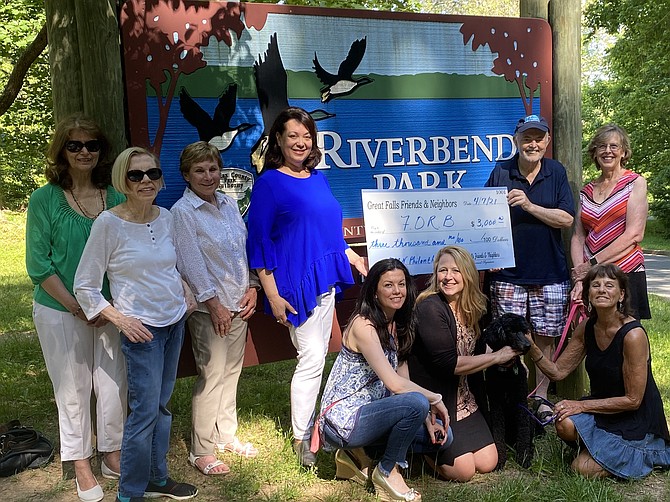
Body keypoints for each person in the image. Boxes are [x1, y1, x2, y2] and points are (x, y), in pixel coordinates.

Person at [74, 147, 198, 502]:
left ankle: (157, 479)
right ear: (122, 182)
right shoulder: (108, 224)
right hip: (142, 330)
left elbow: (169, 265)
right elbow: (85, 284)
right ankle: (129, 492)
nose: (146, 180)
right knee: (144, 412)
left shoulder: (166, 217)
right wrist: (120, 319)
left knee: (161, 406)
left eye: (152, 173)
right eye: (136, 175)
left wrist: (186, 289)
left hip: (175, 322)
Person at [246, 106, 367, 467]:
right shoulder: (269, 183)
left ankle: (316, 425)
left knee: (317, 354)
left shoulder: (318, 178)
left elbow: (326, 230)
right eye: (292, 136)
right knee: (312, 358)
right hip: (292, 286)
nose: (301, 142)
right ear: (279, 141)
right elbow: (258, 244)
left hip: (325, 278)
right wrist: (272, 296)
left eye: (306, 135)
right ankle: (302, 438)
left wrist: (351, 255)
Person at [25, 114, 126, 502]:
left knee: (114, 382)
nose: (84, 151)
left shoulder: (116, 196)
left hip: (110, 307)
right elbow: (39, 265)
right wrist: (76, 305)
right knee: (73, 387)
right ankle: (80, 461)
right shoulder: (44, 198)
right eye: (75, 145)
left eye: (92, 145)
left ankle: (111, 452)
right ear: (62, 151)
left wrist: (110, 306)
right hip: (60, 308)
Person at [321, 259, 451, 502]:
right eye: (388, 285)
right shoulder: (364, 325)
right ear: (374, 290)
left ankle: (358, 456)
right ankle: (387, 471)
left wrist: (426, 419)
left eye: (401, 284)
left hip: (374, 413)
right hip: (344, 419)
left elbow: (404, 379)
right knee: (416, 403)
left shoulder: (398, 324)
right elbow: (394, 385)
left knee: (443, 436)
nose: (397, 291)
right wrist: (434, 399)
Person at [526, 264, 670, 479]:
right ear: (588, 294)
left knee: (581, 469)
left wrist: (581, 405)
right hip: (604, 410)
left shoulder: (633, 335)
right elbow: (558, 372)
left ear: (621, 295)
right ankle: (600, 451)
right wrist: (531, 347)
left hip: (636, 419)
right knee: (563, 423)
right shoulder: (587, 327)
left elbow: (633, 400)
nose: (602, 289)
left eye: (609, 285)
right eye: (596, 285)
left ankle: (628, 453)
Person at [171, 141, 259, 476]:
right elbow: (190, 263)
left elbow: (242, 250)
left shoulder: (228, 203)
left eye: (212, 169)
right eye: (200, 170)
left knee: (231, 372)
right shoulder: (183, 212)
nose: (208, 176)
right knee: (211, 374)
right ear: (186, 175)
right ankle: (202, 450)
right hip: (211, 309)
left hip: (238, 302)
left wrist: (252, 287)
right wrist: (214, 304)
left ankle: (226, 435)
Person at [485, 114, 575, 419]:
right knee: (509, 339)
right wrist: (489, 255)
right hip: (509, 274)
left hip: (550, 272)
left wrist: (529, 205)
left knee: (545, 337)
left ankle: (541, 397)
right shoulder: (501, 171)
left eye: (538, 138)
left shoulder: (556, 172)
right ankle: (512, 398)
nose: (532, 143)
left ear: (547, 141)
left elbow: (566, 219)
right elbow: (481, 217)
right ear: (516, 140)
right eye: (527, 138)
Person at [408, 246, 520, 481]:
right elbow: (449, 364)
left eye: (456, 271)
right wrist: (497, 357)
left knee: (489, 462)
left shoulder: (475, 307)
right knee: (464, 471)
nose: (448, 277)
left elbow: (481, 348)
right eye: (443, 270)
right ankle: (418, 450)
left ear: (468, 274)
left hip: (466, 399)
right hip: (437, 402)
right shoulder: (429, 307)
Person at [570, 124, 650, 320]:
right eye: (602, 146)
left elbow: (634, 235)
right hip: (593, 278)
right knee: (594, 337)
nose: (608, 151)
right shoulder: (586, 191)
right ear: (595, 152)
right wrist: (580, 279)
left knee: (627, 336)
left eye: (614, 146)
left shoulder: (635, 183)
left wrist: (591, 264)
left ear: (623, 152)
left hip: (625, 273)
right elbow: (578, 236)